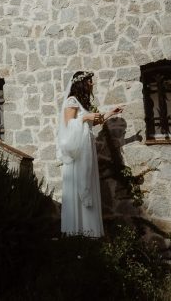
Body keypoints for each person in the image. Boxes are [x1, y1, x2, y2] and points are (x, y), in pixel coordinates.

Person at [56, 71, 123, 237]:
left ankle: (89, 233)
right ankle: (77, 233)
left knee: (89, 185)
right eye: (90, 81)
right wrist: (85, 118)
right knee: (78, 186)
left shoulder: (82, 103)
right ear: (82, 83)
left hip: (87, 151)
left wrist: (111, 113)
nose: (92, 84)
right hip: (78, 154)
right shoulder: (71, 101)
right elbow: (67, 126)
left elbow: (96, 120)